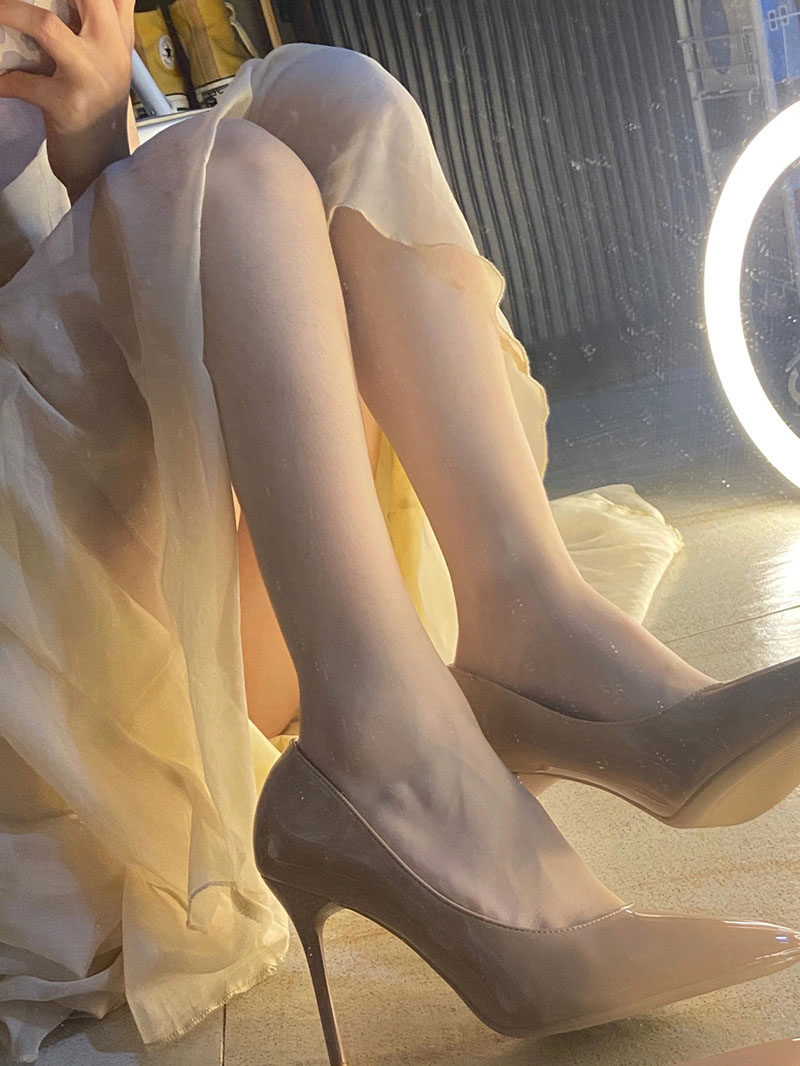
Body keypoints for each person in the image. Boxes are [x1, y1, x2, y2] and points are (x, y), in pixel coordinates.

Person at [0, 0, 798, 1061]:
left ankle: (533, 627)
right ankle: (385, 759)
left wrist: (99, 146)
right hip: (60, 691)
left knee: (335, 100)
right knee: (230, 181)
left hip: (204, 594)